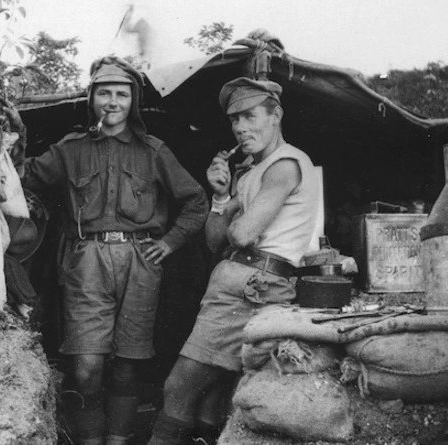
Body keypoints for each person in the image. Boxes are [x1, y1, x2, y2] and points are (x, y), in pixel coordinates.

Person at [21, 56, 209, 445]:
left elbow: (195, 202)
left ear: (133, 100)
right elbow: (25, 179)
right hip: (86, 262)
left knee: (127, 366)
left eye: (121, 94)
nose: (112, 102)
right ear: (91, 98)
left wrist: (169, 242)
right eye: (104, 93)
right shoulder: (70, 149)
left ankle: (119, 440)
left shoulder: (154, 151)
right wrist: (2, 149)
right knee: (86, 367)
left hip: (141, 264)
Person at [147, 77, 321, 445]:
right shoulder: (255, 169)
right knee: (212, 401)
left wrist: (237, 215)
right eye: (234, 120)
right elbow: (214, 240)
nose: (241, 128)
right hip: (239, 281)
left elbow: (241, 235)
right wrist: (222, 197)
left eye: (249, 116)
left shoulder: (285, 164)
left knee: (178, 386)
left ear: (276, 115)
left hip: (251, 285)